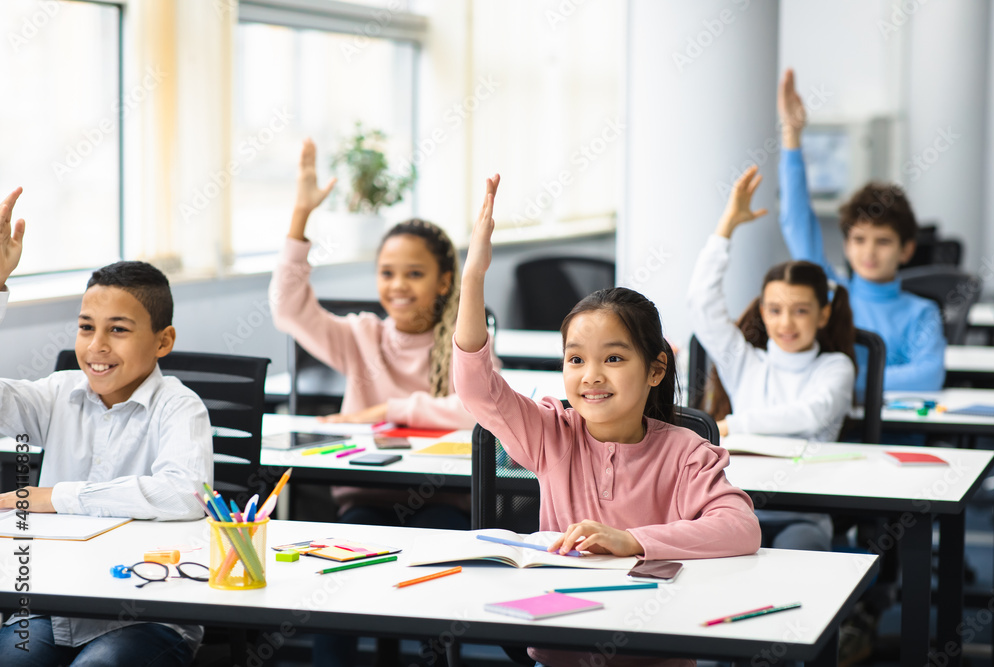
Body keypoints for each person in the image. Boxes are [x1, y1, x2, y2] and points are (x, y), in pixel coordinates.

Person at [453, 175, 760, 667]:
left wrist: (633, 541)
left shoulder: (685, 452)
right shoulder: (550, 434)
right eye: (575, 360)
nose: (591, 376)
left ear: (655, 368)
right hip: (563, 649)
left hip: (653, 650)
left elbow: (740, 528)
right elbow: (476, 386)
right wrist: (473, 277)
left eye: (613, 359)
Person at [269, 140, 497, 667]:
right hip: (365, 501)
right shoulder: (361, 336)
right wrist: (301, 215)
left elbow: (477, 410)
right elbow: (288, 308)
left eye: (414, 274)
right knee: (331, 571)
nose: (398, 285)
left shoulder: (467, 339)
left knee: (434, 569)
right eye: (387, 273)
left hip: (444, 501)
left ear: (444, 281)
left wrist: (383, 412)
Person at [0, 187, 213, 666]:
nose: (96, 345)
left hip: (147, 615)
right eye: (85, 326)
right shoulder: (57, 393)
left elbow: (184, 494)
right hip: (52, 608)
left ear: (163, 341)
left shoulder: (180, 407)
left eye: (118, 329)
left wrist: (56, 497)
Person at [688, 165, 856, 552]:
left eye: (800, 310)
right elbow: (701, 303)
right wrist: (726, 227)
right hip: (734, 509)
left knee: (803, 553)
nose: (786, 322)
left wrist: (733, 425)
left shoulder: (836, 367)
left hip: (803, 512)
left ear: (823, 314)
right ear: (762, 312)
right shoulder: (746, 362)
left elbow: (811, 413)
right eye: (775, 310)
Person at [778, 68, 945, 394]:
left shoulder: (921, 312)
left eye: (883, 241)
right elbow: (796, 222)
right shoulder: (831, 294)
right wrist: (792, 136)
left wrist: (844, 382)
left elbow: (929, 375)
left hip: (897, 436)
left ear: (907, 249)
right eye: (858, 239)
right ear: (846, 244)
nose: (868, 252)